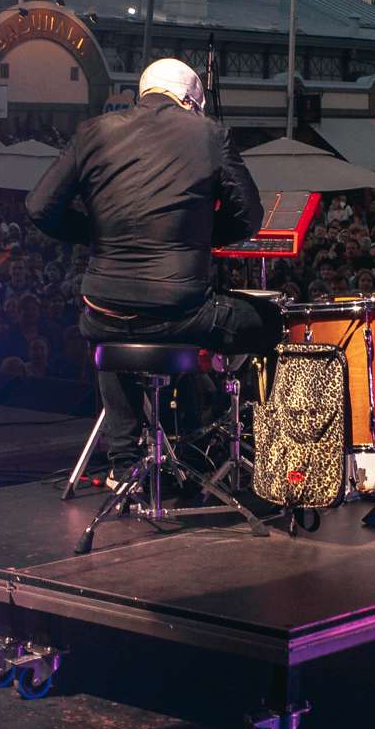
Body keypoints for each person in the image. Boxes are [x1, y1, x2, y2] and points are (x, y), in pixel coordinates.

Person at [27, 57, 277, 471]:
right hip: (181, 313)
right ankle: (216, 442)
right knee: (269, 321)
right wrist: (201, 238)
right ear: (190, 102)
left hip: (103, 313)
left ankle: (125, 459)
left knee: (118, 317)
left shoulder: (92, 132)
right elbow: (249, 216)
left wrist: (95, 234)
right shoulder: (209, 134)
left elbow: (39, 207)